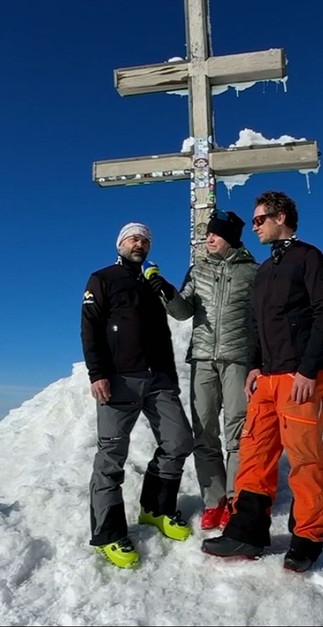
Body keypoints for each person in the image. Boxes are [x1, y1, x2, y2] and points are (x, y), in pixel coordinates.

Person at [201, 191, 323, 573]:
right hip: (268, 378)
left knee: (305, 459)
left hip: (301, 377)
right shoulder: (265, 270)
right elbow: (257, 326)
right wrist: (254, 366)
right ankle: (248, 531)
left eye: (260, 219)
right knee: (254, 454)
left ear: (281, 217)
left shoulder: (308, 257)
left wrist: (308, 370)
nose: (255, 226)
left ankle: (307, 538)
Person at [80, 222, 195, 569]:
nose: (139, 243)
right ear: (120, 243)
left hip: (158, 378)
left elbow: (166, 329)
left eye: (145, 239)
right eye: (133, 238)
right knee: (111, 457)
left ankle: (155, 509)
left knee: (179, 441)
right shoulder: (101, 279)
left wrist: (171, 378)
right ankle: (108, 534)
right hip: (118, 380)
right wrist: (97, 374)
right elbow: (90, 328)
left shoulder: (151, 283)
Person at [161, 210, 257, 531]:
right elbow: (183, 311)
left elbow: (261, 320)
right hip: (202, 359)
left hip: (238, 359)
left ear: (229, 237)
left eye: (214, 234)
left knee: (238, 431)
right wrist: (167, 293)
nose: (209, 239)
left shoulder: (254, 272)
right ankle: (213, 501)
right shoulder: (197, 270)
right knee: (204, 432)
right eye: (207, 235)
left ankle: (236, 499)